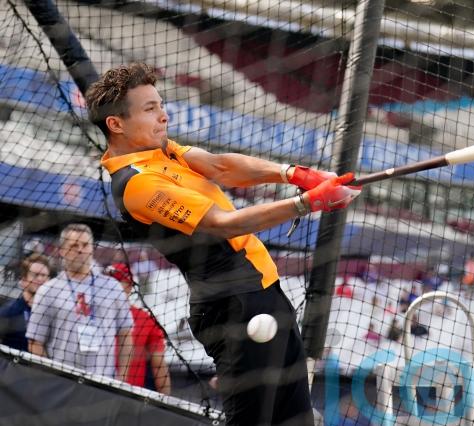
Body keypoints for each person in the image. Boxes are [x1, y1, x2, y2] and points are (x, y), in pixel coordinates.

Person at [88, 63, 360, 426]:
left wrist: (294, 174)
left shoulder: (161, 150)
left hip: (263, 292)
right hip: (233, 308)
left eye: (161, 105)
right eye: (150, 109)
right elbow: (224, 224)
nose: (164, 115)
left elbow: (220, 167)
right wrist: (307, 203)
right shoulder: (136, 183)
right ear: (116, 124)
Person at [26, 224, 134, 381]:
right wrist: (51, 379)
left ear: (92, 249)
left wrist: (122, 379)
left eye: (85, 245)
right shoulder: (48, 290)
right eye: (74, 246)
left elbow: (126, 334)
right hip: (62, 383)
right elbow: (35, 342)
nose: (80, 250)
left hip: (103, 383)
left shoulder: (112, 287)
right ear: (62, 251)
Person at [104, 263, 171, 394]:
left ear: (129, 287)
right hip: (126, 396)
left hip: (112, 392)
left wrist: (166, 399)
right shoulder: (145, 318)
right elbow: (159, 366)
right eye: (106, 282)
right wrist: (166, 400)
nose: (108, 287)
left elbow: (159, 365)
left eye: (115, 283)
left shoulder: (145, 319)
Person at [0, 253, 51, 351]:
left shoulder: (52, 312)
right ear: (23, 280)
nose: (40, 279)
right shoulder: (10, 311)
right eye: (35, 275)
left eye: (43, 275)